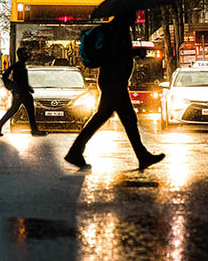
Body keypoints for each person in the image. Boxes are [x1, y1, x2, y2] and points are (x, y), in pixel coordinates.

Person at [64, 11, 164, 170]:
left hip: (114, 81)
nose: (136, 18)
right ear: (125, 15)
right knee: (110, 118)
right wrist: (135, 52)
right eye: (134, 14)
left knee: (123, 119)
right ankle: (75, 151)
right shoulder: (118, 29)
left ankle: (141, 155)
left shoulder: (116, 28)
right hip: (114, 81)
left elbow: (115, 54)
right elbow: (116, 54)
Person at [0, 47, 47, 137]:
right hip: (20, 93)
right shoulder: (18, 66)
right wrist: (13, 87)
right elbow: (7, 76)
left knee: (17, 110)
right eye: (25, 54)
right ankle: (34, 130)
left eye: (27, 53)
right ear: (20, 55)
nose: (27, 55)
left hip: (22, 91)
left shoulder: (21, 65)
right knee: (23, 110)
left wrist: (27, 88)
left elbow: (21, 80)